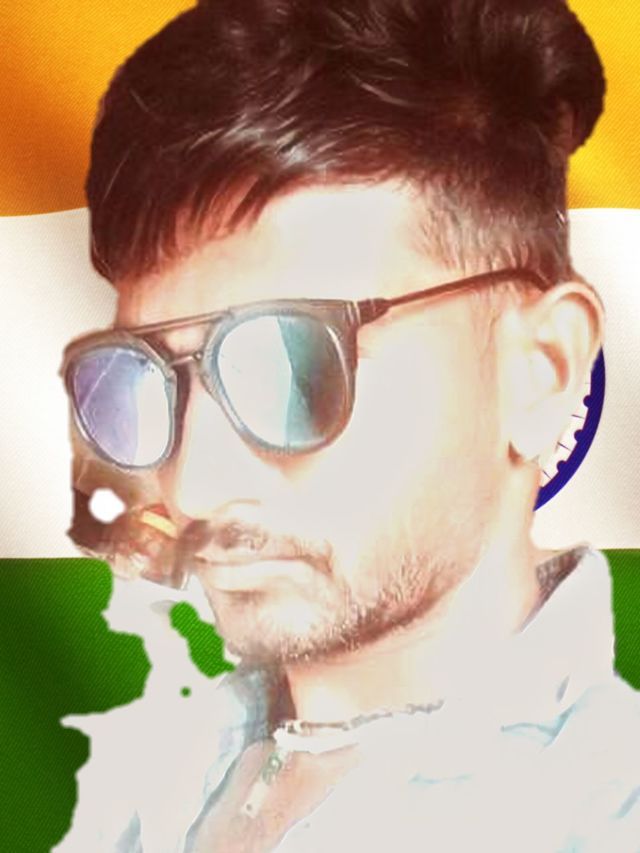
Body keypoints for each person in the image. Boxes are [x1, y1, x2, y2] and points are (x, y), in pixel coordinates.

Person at [60, 0, 640, 850]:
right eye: (140, 375)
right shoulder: (168, 762)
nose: (194, 485)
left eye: (293, 364)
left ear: (542, 368)